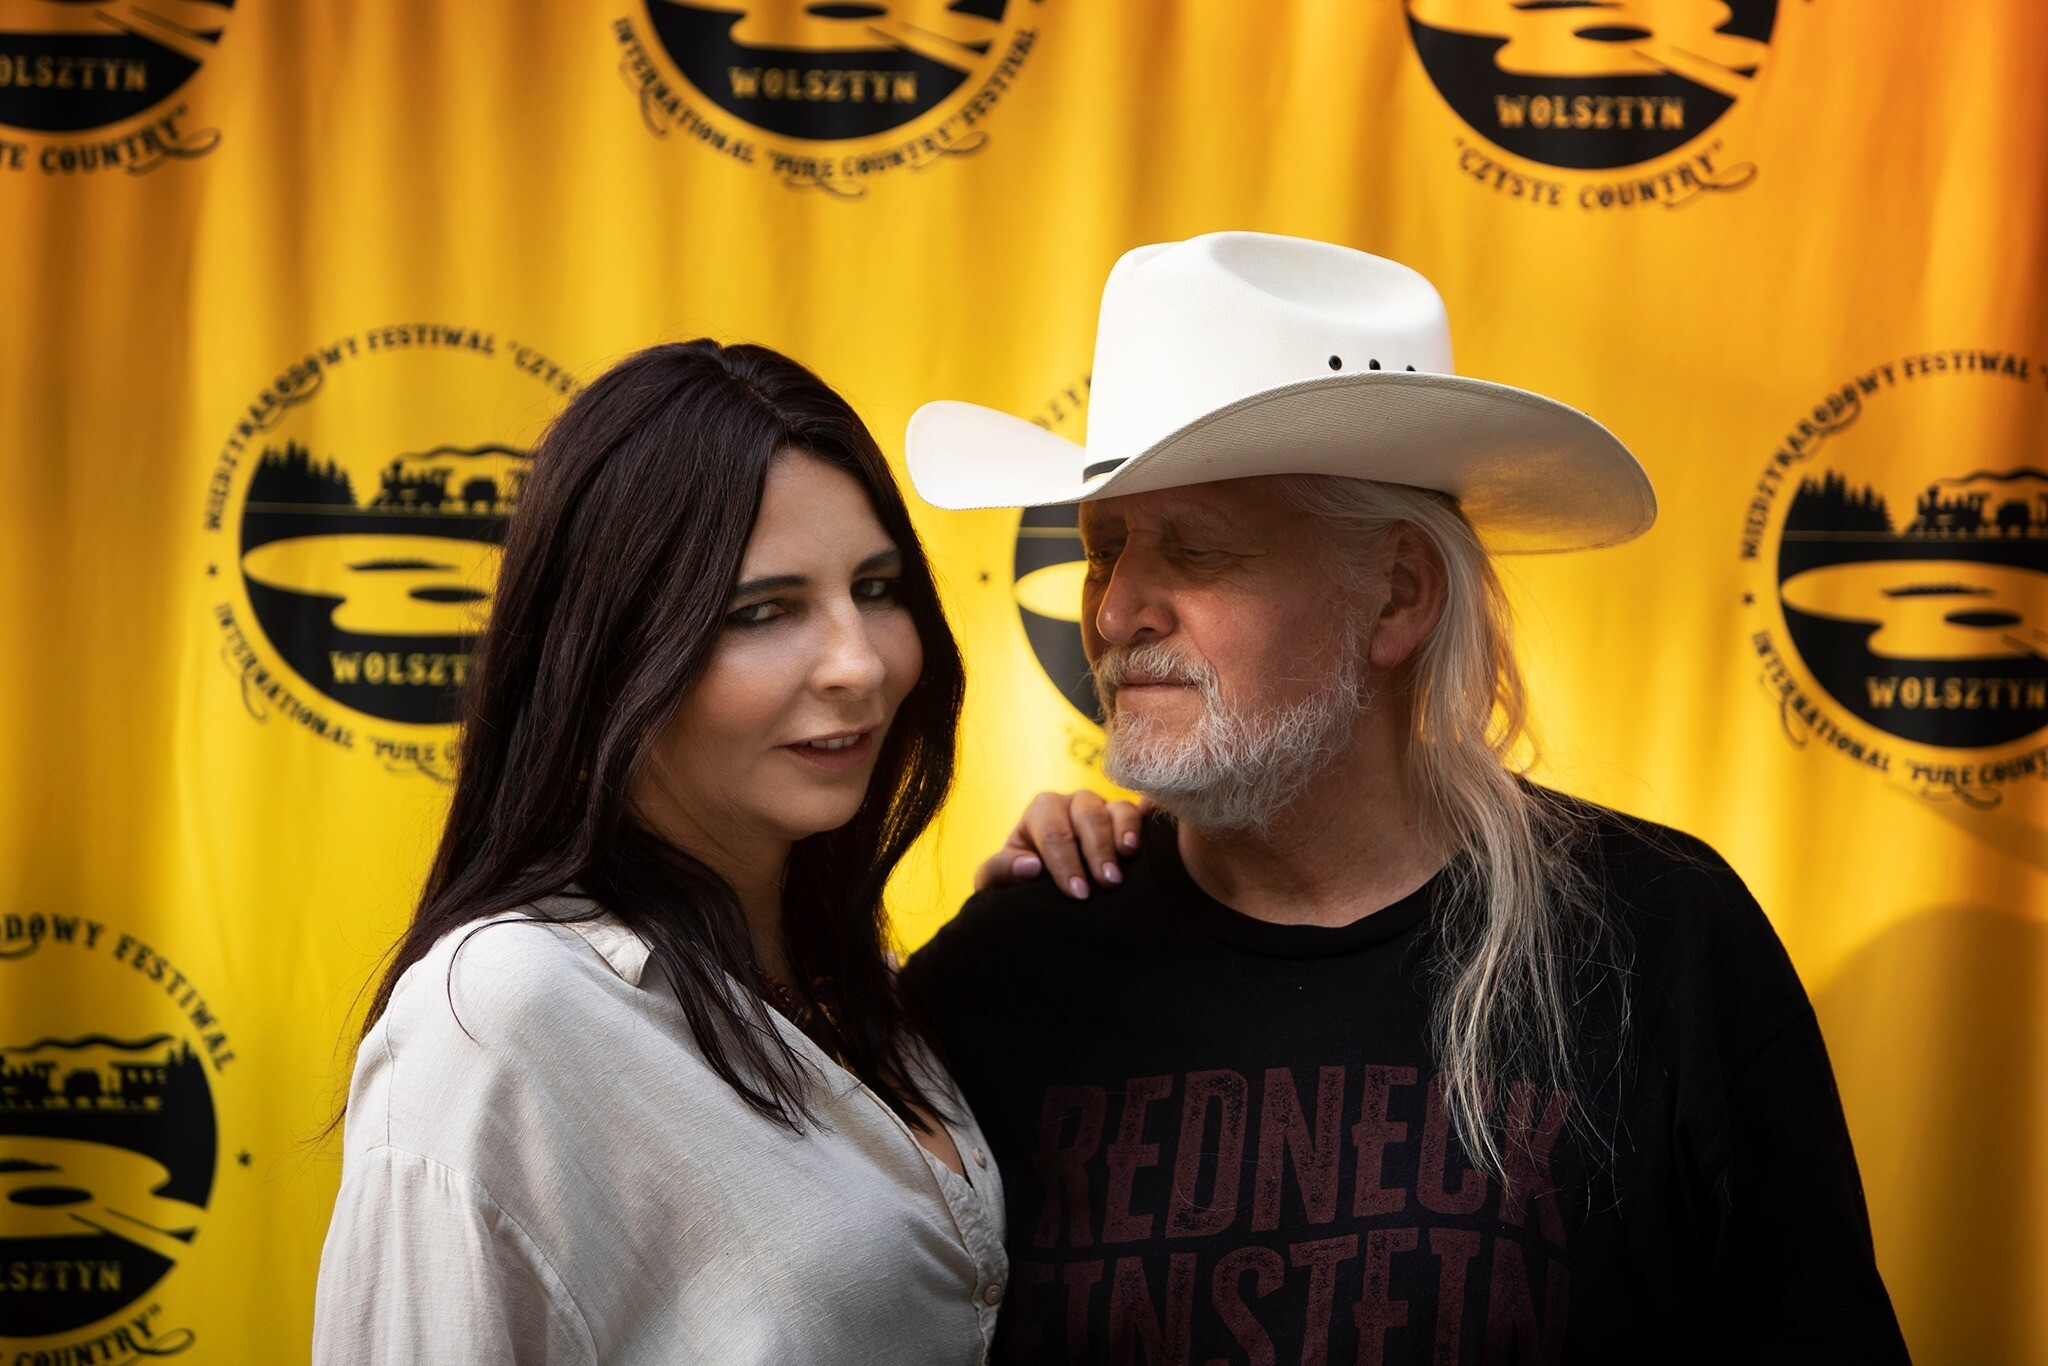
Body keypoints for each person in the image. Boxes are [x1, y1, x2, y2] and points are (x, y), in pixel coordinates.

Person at [900, 233, 1908, 1363]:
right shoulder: (1007, 971)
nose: (1114, 609)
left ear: (1396, 594)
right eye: (1104, 548)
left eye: (1195, 550)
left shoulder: (1656, 938)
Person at [314, 341, 1006, 1364]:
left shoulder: (859, 982)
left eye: (876, 587)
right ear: (610, 650)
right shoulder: (500, 1014)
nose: (858, 664)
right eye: (762, 611)